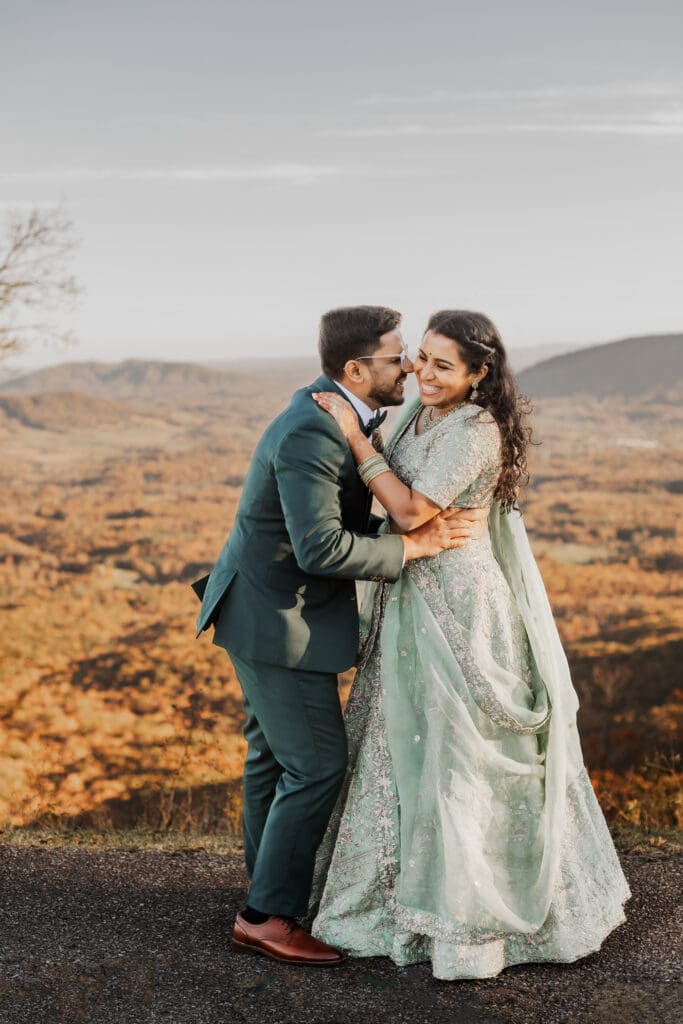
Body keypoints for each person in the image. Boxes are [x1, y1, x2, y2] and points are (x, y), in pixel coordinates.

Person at [308, 309, 630, 980]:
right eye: (420, 358)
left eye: (442, 365)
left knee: (458, 753)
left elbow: (410, 511)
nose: (421, 372)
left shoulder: (475, 429)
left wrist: (354, 442)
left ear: (479, 376)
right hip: (410, 600)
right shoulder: (418, 417)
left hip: (460, 607)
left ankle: (467, 920)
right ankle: (396, 903)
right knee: (405, 744)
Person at [194, 306, 488, 967]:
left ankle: (269, 890)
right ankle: (266, 918)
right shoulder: (312, 431)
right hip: (278, 622)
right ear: (356, 369)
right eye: (397, 357)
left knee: (271, 758)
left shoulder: (340, 414)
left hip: (259, 610)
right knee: (317, 764)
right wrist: (413, 547)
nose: (409, 365)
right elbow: (320, 549)